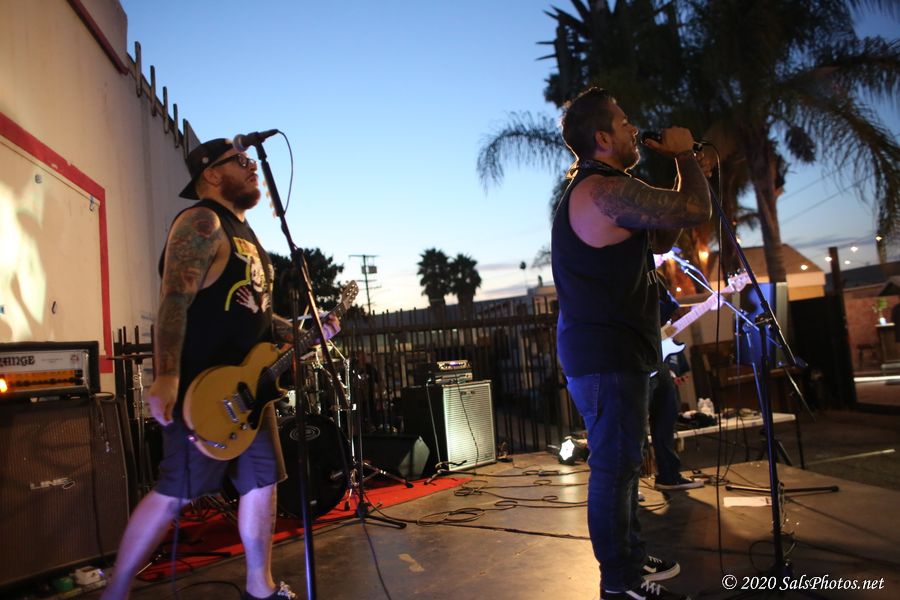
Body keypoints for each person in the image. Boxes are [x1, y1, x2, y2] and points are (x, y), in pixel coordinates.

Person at [101, 139, 340, 600]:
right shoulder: (202, 222)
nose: (253, 167)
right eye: (241, 161)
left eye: (251, 161)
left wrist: (306, 331)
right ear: (211, 173)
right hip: (204, 390)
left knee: (262, 482)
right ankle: (116, 591)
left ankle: (260, 586)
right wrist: (166, 376)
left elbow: (257, 315)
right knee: (176, 492)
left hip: (253, 387)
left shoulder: (247, 235)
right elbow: (174, 299)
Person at [551, 87, 711, 600]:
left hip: (616, 352)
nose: (633, 128)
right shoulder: (601, 191)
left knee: (624, 465)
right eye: (623, 122)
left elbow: (663, 233)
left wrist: (679, 164)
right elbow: (694, 208)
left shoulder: (610, 190)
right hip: (606, 355)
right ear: (602, 138)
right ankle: (618, 579)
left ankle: (631, 556)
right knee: (614, 467)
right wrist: (684, 156)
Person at [650, 285, 703, 491]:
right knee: (634, 426)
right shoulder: (626, 273)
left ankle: (669, 476)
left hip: (658, 360)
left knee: (667, 415)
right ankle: (628, 488)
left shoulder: (655, 276)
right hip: (636, 358)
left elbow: (668, 308)